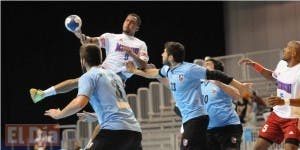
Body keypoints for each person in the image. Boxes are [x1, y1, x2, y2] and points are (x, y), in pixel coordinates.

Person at [125, 41, 249, 150]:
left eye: (164, 52)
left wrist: (240, 86)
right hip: (191, 120)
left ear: (171, 57)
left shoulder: (189, 69)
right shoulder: (168, 70)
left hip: (198, 119)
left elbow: (217, 75)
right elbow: (153, 73)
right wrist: (135, 71)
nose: (162, 54)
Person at [30, 13, 149, 103]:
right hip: (103, 71)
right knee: (77, 81)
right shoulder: (111, 37)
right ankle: (42, 94)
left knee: (108, 115)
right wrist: (79, 33)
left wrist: (132, 54)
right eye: (127, 20)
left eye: (132, 22)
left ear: (137, 27)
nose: (128, 23)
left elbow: (143, 65)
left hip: (118, 79)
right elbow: (89, 41)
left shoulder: (140, 44)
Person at [44, 44, 142, 150]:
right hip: (134, 133)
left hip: (114, 132)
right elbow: (120, 106)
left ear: (83, 60)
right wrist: (97, 115)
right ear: (101, 59)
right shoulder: (115, 76)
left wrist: (59, 114)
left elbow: (79, 103)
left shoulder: (89, 76)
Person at [239, 40, 300, 150]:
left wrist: (284, 102)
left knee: (290, 148)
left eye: (287, 48)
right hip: (276, 115)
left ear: (293, 53)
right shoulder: (282, 65)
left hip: (294, 118)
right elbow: (272, 76)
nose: (284, 49)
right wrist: (255, 65)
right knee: (257, 148)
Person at [201, 57, 243, 150]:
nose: (204, 65)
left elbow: (237, 96)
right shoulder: (200, 85)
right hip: (209, 130)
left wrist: (218, 83)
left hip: (229, 127)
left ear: (216, 70)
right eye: (204, 64)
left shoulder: (222, 82)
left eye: (208, 64)